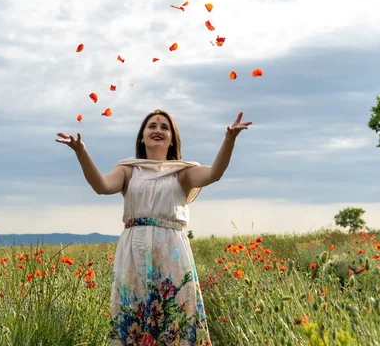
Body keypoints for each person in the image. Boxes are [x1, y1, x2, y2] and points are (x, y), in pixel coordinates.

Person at [56, 109, 252, 346]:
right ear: (142, 136)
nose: (158, 130)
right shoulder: (128, 169)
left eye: (164, 128)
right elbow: (101, 185)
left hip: (171, 253)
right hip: (134, 252)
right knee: (134, 316)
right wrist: (81, 152)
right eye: (152, 126)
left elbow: (214, 173)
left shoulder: (182, 172)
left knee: (173, 317)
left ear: (172, 139)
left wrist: (229, 140)